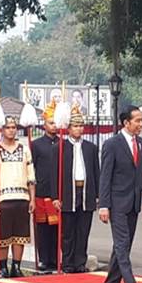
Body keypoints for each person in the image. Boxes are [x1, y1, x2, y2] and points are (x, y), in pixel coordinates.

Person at [99, 105, 142, 283]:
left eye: (141, 120)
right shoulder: (112, 144)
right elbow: (105, 176)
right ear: (126, 122)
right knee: (122, 245)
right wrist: (103, 205)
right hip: (116, 203)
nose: (141, 124)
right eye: (137, 121)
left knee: (124, 245)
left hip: (133, 203)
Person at [0, 116, 36, 278]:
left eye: (14, 127)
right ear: (2, 129)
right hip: (3, 199)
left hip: (22, 197)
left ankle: (16, 266)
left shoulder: (25, 149)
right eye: (8, 127)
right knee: (3, 237)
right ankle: (2, 267)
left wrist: (33, 198)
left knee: (20, 235)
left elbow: (31, 176)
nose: (11, 130)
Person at [52, 104, 100, 273]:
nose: (78, 129)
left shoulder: (91, 148)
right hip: (67, 192)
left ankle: (80, 262)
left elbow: (96, 171)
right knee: (68, 231)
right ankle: (67, 263)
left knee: (83, 230)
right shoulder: (60, 147)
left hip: (86, 191)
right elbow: (54, 174)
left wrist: (97, 194)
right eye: (75, 126)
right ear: (69, 128)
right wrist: (55, 197)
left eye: (81, 126)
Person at [32, 100, 60, 272]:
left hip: (57, 192)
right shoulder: (36, 144)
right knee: (42, 229)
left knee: (57, 229)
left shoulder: (62, 143)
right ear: (44, 124)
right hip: (41, 191)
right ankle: (44, 259)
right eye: (51, 122)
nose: (54, 126)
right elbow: (32, 168)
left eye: (56, 122)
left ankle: (56, 258)